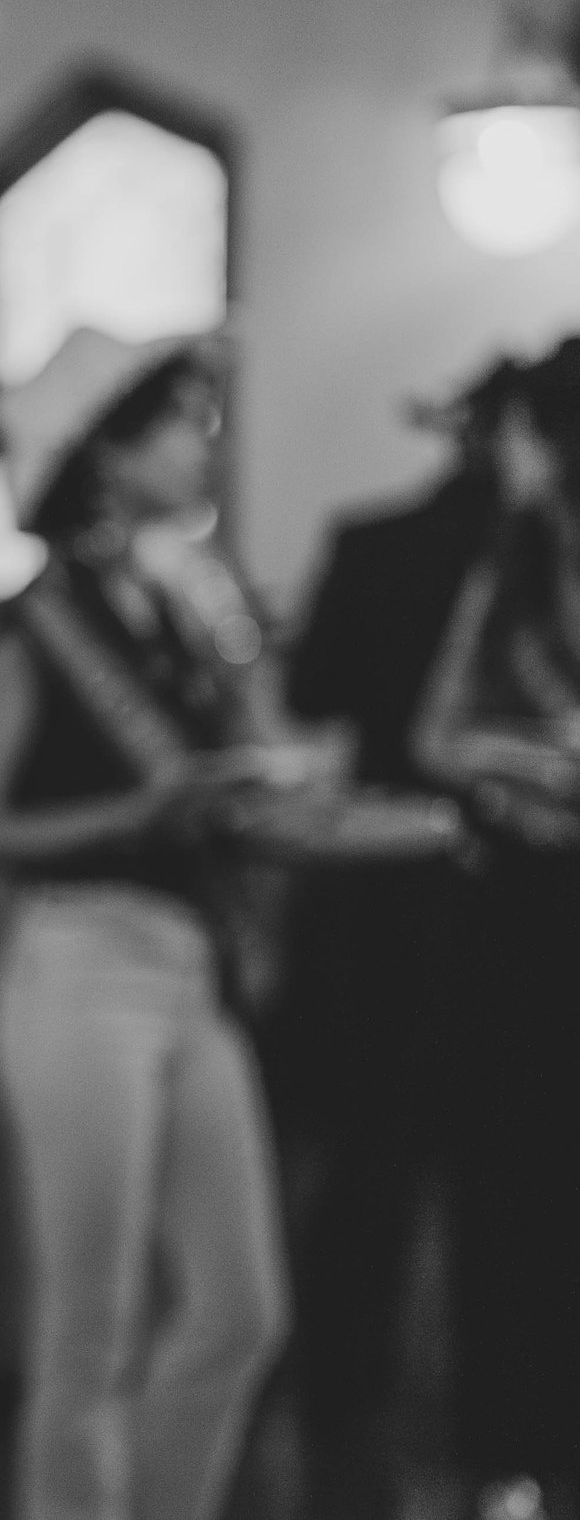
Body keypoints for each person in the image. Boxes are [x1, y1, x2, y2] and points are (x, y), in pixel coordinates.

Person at [0, 329, 288, 1520]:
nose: (204, 443)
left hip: (189, 966)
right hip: (80, 966)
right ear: (105, 454)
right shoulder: (39, 620)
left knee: (240, 1310)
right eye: (178, 422)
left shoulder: (180, 605)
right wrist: (141, 810)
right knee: (87, 1327)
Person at [268, 358, 520, 1519]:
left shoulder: (370, 541)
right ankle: (488, 1404)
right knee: (498, 1157)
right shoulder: (526, 556)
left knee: (368, 1147)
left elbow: (312, 691)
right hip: (505, 879)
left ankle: (341, 1383)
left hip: (380, 887)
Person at [411, 339, 580, 1520]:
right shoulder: (510, 568)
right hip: (525, 903)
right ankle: (507, 1442)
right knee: (510, 1172)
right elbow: (436, 734)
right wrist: (539, 764)